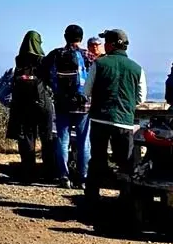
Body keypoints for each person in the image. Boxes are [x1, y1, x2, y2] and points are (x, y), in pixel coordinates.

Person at [83, 29, 148, 203]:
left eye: (105, 42)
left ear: (111, 45)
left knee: (97, 159)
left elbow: (87, 90)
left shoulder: (99, 64)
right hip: (124, 121)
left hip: (100, 118)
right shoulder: (137, 68)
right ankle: (126, 197)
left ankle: (92, 196)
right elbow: (141, 98)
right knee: (125, 162)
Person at [43, 25, 90, 188]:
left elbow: (42, 71)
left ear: (65, 36)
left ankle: (64, 176)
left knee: (63, 140)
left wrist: (54, 89)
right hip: (83, 104)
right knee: (84, 141)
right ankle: (83, 178)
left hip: (62, 102)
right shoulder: (87, 55)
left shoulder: (56, 54)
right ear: (81, 38)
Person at [6, 31, 55, 182]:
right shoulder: (43, 61)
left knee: (27, 136)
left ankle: (28, 171)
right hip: (43, 104)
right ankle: (49, 172)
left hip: (23, 105)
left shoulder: (19, 61)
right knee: (47, 137)